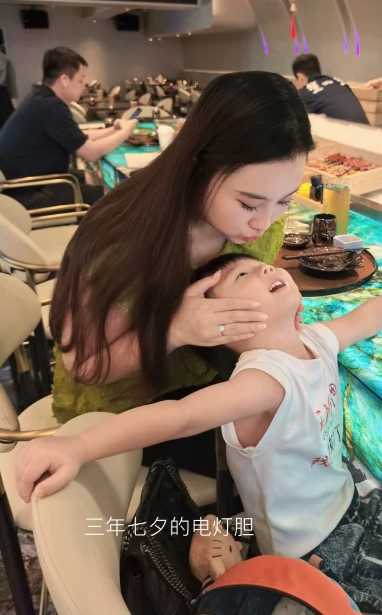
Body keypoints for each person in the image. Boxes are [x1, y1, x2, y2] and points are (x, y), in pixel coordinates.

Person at [16, 253, 382, 613]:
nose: (266, 269)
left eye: (262, 265)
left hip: (344, 505)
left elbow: (364, 319)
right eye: (244, 275)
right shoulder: (261, 382)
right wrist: (80, 446)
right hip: (310, 546)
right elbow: (179, 416)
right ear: (222, 325)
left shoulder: (314, 340)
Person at [47, 71, 314, 478]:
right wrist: (174, 330)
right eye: (248, 204)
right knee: (284, 461)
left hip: (209, 387)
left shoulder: (260, 223)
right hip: (123, 414)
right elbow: (87, 365)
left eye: (284, 201)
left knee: (307, 425)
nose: (263, 223)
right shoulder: (123, 243)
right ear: (197, 165)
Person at [0, 46, 136, 209]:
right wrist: (126, 132)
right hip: (27, 192)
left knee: (90, 176)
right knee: (113, 196)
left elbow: (77, 136)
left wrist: (113, 130)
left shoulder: (41, 97)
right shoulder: (50, 107)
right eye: (81, 80)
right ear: (64, 79)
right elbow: (91, 153)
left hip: (29, 182)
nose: (84, 86)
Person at [292, 54, 369, 124]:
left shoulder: (305, 93)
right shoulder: (339, 82)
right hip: (369, 131)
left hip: (345, 133)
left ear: (300, 77)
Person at [0, 48, 17, 130]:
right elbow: (11, 79)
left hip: (2, 95)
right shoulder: (4, 58)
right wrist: (13, 95)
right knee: (8, 125)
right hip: (2, 94)